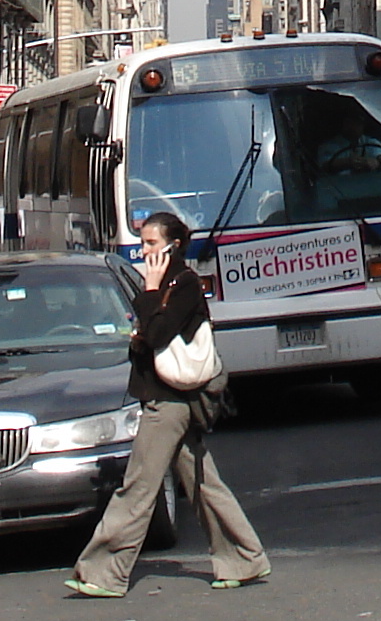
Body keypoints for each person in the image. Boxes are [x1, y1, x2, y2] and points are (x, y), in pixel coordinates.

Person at [65, 212, 270, 598]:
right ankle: (245, 559)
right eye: (143, 243)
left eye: (150, 244)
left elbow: (157, 332)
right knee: (205, 484)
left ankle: (102, 572)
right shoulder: (165, 285)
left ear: (172, 246)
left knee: (139, 487)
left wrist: (152, 289)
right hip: (167, 399)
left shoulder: (183, 284)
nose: (143, 251)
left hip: (170, 403)